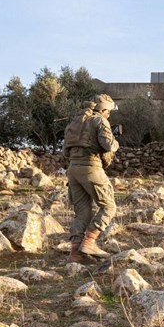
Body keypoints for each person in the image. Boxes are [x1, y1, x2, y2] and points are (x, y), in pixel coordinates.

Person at [63, 94, 120, 264]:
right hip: (91, 167)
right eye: (108, 112)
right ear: (103, 109)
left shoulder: (75, 122)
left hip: (73, 170)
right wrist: (116, 141)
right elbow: (108, 145)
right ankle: (89, 242)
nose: (108, 115)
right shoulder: (100, 121)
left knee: (82, 211)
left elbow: (65, 151)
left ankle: (75, 253)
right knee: (109, 207)